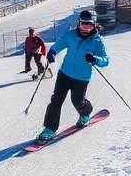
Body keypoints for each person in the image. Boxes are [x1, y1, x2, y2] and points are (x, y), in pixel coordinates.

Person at [39, 10, 109, 141]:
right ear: (78, 23)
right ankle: (50, 128)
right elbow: (58, 44)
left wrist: (95, 59)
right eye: (83, 24)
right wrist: (52, 52)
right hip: (65, 73)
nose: (86, 28)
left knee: (77, 101)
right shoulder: (70, 35)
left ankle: (86, 113)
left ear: (94, 25)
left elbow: (105, 60)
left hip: (81, 77)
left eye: (89, 25)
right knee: (56, 100)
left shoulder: (97, 41)